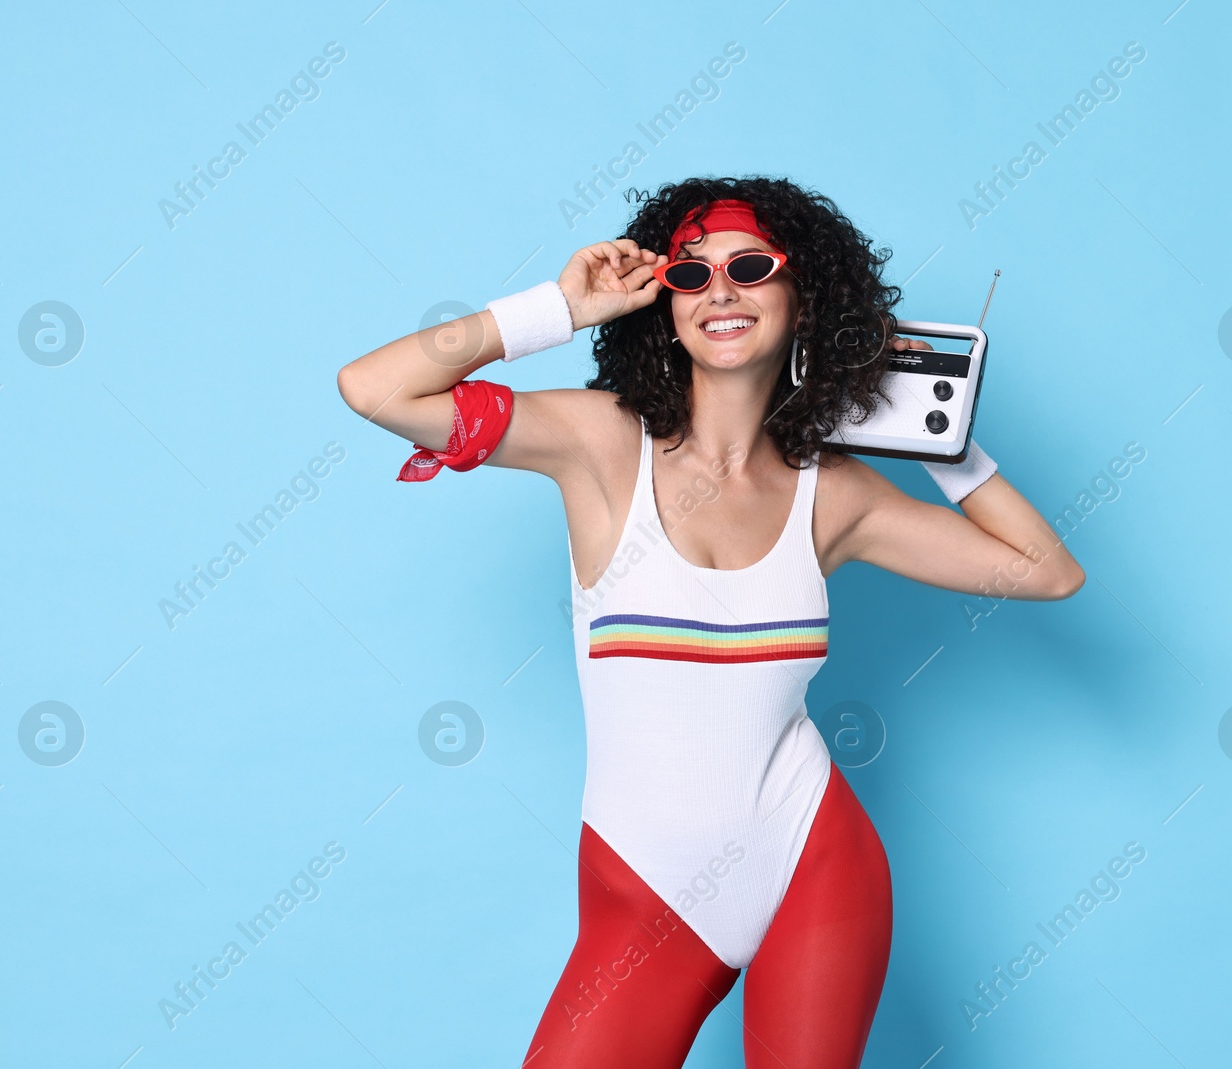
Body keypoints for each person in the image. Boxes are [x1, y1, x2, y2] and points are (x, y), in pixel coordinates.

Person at [337, 176, 1085, 1068]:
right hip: (644, 893)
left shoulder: (835, 493)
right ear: (666, 303)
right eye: (691, 274)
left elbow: (1048, 571)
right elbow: (372, 386)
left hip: (815, 862)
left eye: (752, 266)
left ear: (803, 295)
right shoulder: (598, 443)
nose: (721, 290)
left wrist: (940, 436)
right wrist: (556, 309)